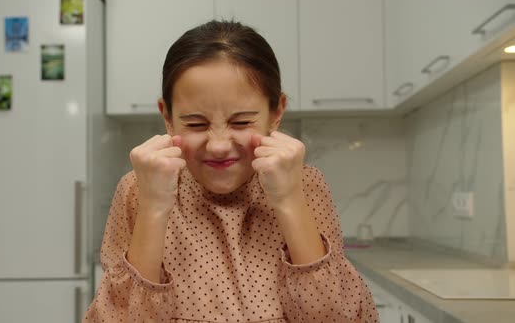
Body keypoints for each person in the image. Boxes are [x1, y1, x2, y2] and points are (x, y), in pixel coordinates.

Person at [83, 20, 379, 323]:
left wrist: (289, 198)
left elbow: (337, 316)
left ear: (276, 112)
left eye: (241, 122)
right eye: (196, 124)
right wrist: (154, 209)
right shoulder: (137, 190)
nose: (219, 145)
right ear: (167, 117)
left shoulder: (305, 185)